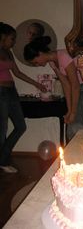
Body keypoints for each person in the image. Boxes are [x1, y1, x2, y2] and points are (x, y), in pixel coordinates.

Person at [23, 36, 83, 142]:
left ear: (40, 53)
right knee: (72, 126)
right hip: (79, 89)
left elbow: (75, 85)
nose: (37, 65)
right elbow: (66, 85)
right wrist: (69, 111)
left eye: (35, 62)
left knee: (79, 127)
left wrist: (73, 112)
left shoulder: (63, 56)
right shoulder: (52, 62)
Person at [0, 22, 46, 173]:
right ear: (3, 37)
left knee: (21, 126)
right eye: (12, 38)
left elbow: (17, 73)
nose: (13, 42)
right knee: (2, 129)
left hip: (11, 92)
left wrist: (36, 84)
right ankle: (3, 161)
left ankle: (2, 159)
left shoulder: (8, 53)